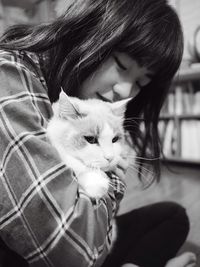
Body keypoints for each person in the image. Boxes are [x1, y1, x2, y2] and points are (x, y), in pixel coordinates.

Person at [0, 0, 197, 266]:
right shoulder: (10, 75)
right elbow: (70, 249)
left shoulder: (83, 98)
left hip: (90, 237)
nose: (126, 92)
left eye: (141, 82)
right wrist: (112, 171)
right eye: (122, 65)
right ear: (91, 32)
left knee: (172, 216)